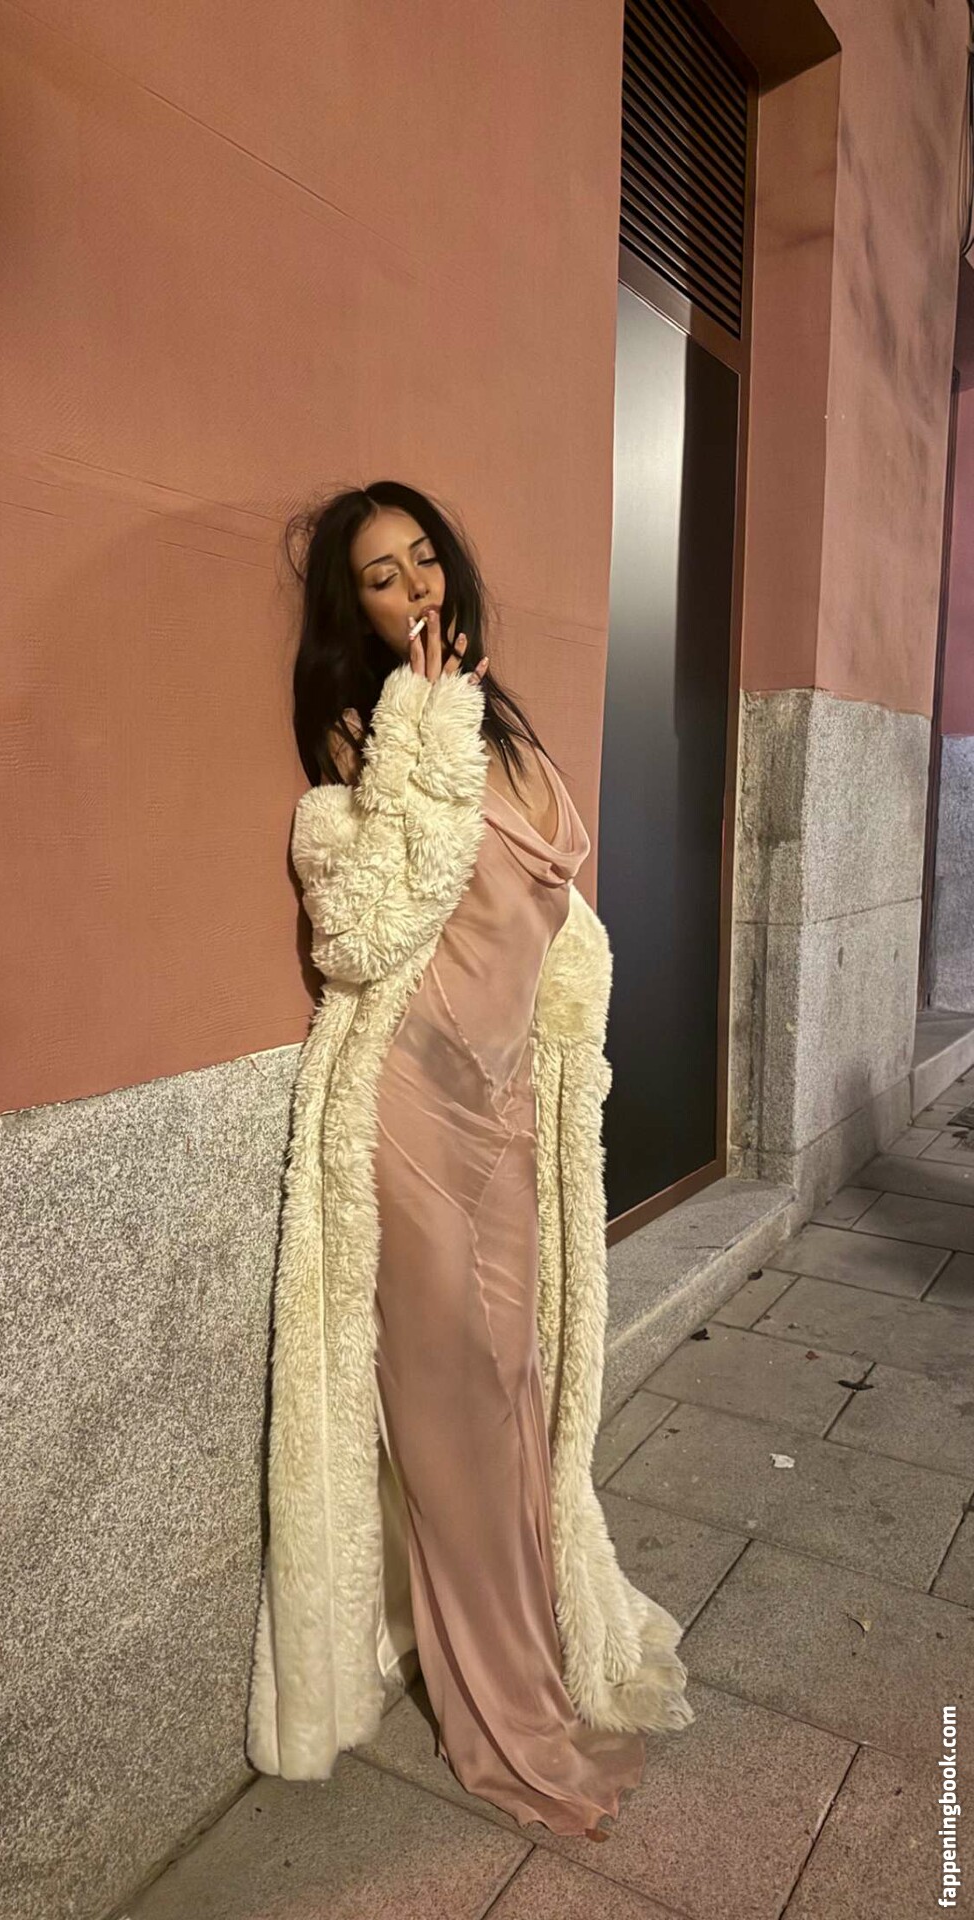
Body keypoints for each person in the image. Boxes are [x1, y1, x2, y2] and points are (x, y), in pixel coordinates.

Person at [247, 479, 693, 1835]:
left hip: (507, 1106)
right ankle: (509, 1725)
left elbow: (549, 888)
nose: (413, 589)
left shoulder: (491, 710)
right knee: (453, 1417)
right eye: (380, 575)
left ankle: (537, 1657)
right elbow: (375, 922)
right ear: (352, 605)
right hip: (412, 1108)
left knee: (513, 1391)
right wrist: (428, 725)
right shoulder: (360, 729)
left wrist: (462, 715)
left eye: (423, 559)